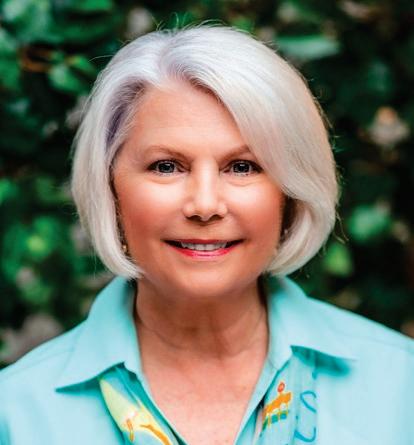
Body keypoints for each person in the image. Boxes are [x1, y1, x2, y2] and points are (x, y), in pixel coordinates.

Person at [0, 25, 413, 445]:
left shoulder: (401, 387)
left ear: (289, 194)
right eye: (166, 166)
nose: (205, 204)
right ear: (110, 188)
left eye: (242, 167)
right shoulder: (15, 413)